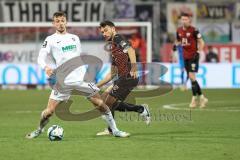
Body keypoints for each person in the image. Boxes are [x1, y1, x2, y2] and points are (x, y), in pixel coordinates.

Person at [25, 12, 130, 139]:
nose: (60, 23)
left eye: (62, 20)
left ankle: (115, 130)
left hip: (82, 80)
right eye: (57, 21)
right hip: (63, 81)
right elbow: (40, 58)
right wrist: (46, 67)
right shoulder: (50, 40)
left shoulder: (74, 38)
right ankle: (39, 130)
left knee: (101, 105)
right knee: (49, 112)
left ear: (66, 22)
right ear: (53, 24)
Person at [96, 20, 151, 136]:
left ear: (113, 28)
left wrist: (134, 68)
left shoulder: (117, 38)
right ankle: (140, 109)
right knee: (106, 99)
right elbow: (111, 74)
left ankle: (111, 130)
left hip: (128, 77)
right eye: (102, 32)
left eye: (106, 30)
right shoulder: (113, 48)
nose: (104, 33)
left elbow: (131, 50)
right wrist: (96, 86)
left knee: (109, 102)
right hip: (121, 78)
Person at [174, 13, 208, 108]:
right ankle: (202, 97)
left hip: (193, 56)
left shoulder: (194, 30)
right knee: (192, 78)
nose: (184, 21)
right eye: (183, 19)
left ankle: (194, 100)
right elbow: (178, 40)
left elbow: (202, 42)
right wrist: (175, 45)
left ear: (189, 20)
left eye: (186, 19)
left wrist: (198, 52)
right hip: (185, 57)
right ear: (181, 20)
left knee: (191, 76)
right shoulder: (179, 30)